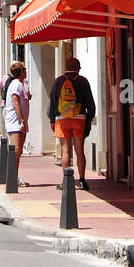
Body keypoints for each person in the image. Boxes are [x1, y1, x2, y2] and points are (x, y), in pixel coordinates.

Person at [47, 56, 96, 192]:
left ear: (66, 67)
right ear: (78, 68)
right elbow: (90, 104)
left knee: (65, 150)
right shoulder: (83, 81)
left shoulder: (58, 81)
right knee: (79, 150)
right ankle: (82, 180)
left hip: (62, 119)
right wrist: (89, 119)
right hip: (79, 118)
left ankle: (66, 180)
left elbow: (51, 103)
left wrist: (52, 119)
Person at [3, 61, 30, 187]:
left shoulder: (20, 84)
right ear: (20, 72)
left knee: (18, 151)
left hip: (19, 123)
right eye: (24, 69)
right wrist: (21, 120)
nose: (26, 71)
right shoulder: (16, 85)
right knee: (16, 150)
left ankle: (14, 176)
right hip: (15, 123)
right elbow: (15, 102)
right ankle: (12, 178)